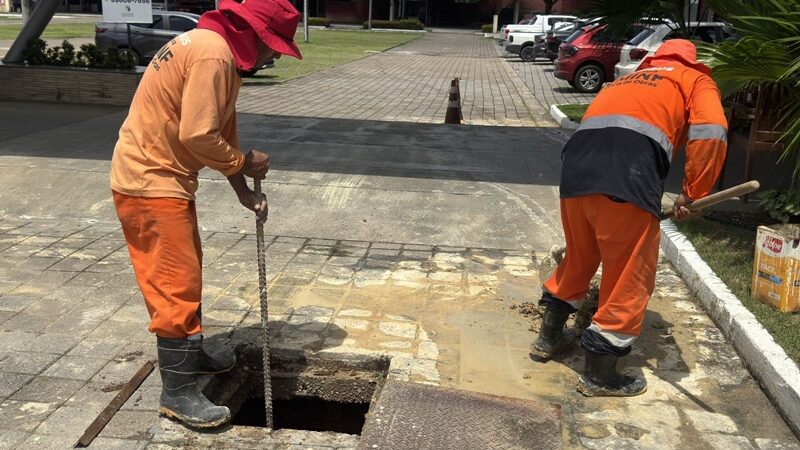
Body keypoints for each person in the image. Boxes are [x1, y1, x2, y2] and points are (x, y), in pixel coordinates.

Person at [109, 0, 302, 428]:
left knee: (187, 269)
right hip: (149, 182)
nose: (273, 55)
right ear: (250, 33)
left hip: (161, 180)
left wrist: (241, 190)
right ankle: (177, 393)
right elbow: (197, 134)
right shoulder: (213, 55)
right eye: (273, 45)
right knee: (174, 282)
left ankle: (192, 355)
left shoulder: (213, 50)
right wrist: (243, 164)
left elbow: (219, 130)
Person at [531, 39, 728, 397]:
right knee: (627, 275)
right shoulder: (695, 79)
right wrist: (695, 193)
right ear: (692, 60)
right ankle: (600, 374)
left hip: (575, 174)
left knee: (580, 257)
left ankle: (549, 337)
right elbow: (712, 129)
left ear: (654, 57)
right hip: (627, 177)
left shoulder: (629, 79)